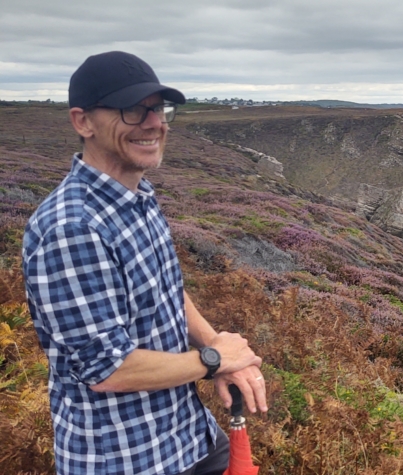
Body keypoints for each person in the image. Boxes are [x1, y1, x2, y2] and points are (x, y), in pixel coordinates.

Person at [22, 51, 268, 475]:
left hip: (188, 436)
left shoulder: (139, 199)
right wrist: (213, 360)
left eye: (158, 109)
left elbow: (166, 289)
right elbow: (108, 369)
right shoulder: (72, 228)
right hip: (128, 458)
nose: (154, 123)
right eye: (133, 110)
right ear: (83, 122)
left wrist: (215, 343)